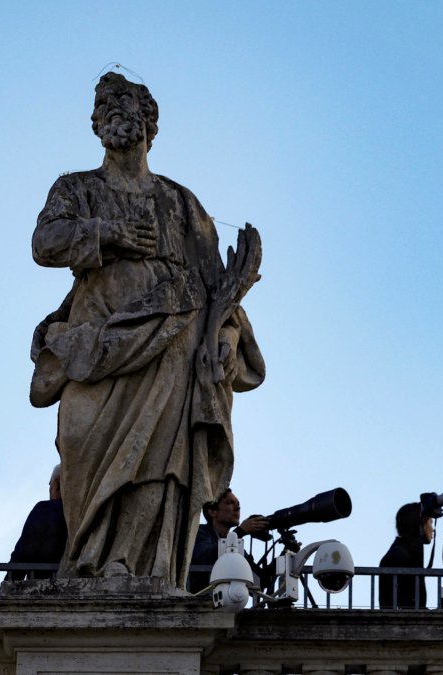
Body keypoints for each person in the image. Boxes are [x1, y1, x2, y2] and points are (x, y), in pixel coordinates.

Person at [29, 73, 265, 585]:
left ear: (150, 122)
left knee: (158, 462)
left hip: (171, 352)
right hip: (97, 348)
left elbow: (218, 291)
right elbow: (44, 243)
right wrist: (106, 232)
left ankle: (141, 569)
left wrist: (223, 341)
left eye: (127, 102)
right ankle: (88, 559)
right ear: (94, 123)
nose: (115, 111)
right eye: (105, 104)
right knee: (80, 444)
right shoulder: (77, 189)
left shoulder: (181, 204)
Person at [187, 489, 270, 593]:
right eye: (230, 503)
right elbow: (204, 557)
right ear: (212, 511)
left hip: (226, 603)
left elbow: (260, 580)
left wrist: (282, 559)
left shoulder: (236, 545)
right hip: (200, 601)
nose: (237, 508)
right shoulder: (199, 532)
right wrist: (239, 532)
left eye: (238, 504)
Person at [6, 464, 69, 581]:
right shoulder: (85, 514)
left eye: (50, 484)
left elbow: (24, 550)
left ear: (57, 484)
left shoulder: (45, 509)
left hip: (44, 584)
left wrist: (9, 585)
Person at [378, 502, 434, 609]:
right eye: (430, 522)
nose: (432, 528)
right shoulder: (399, 555)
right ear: (419, 524)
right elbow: (406, 602)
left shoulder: (406, 551)